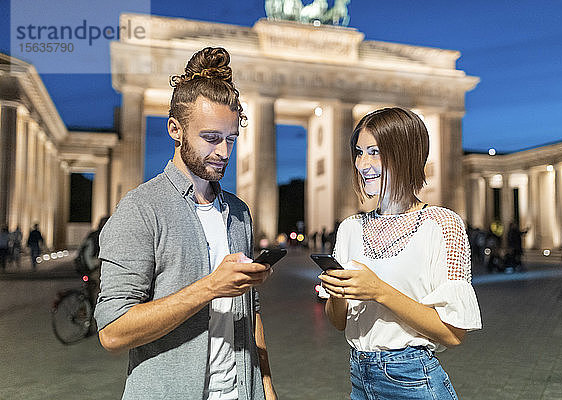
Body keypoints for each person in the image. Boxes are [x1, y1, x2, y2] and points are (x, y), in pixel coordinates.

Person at [94, 47, 277, 400]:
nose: (224, 152)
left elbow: (251, 313)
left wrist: (266, 387)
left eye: (231, 139)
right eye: (211, 138)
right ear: (175, 129)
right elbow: (113, 332)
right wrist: (210, 287)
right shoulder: (140, 209)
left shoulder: (239, 213)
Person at [318, 107, 482, 400]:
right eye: (359, 152)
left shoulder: (442, 224)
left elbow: (454, 334)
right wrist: (338, 294)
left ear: (406, 154)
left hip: (412, 379)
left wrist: (379, 291)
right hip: (359, 377)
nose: (363, 164)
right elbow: (338, 321)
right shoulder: (350, 228)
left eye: (375, 152)